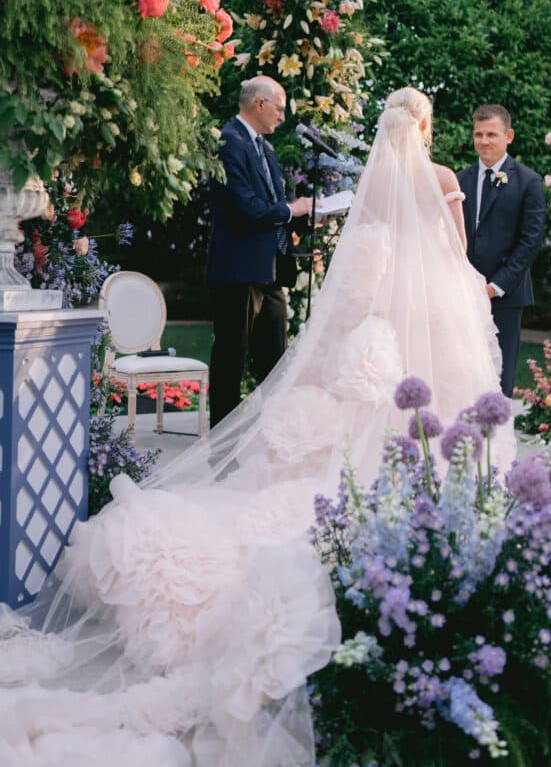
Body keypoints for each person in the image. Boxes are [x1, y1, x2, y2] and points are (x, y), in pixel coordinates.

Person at [0, 88, 514, 765]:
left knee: (346, 430)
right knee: (429, 429)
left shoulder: (371, 188)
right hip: (425, 336)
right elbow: (455, 257)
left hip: (370, 339)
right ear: (425, 127)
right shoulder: (442, 180)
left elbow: (353, 284)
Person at [206, 75, 313, 426]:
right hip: (236, 271)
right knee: (230, 362)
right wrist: (290, 210)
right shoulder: (228, 142)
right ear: (260, 104)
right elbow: (244, 206)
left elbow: (275, 205)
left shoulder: (265, 148)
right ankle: (224, 455)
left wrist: (307, 216)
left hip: (269, 271)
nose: (282, 118)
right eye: (279, 109)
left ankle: (272, 440)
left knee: (276, 362)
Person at [458, 103, 546, 397]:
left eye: (491, 134)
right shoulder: (460, 179)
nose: (484, 141)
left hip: (505, 295)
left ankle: (497, 440)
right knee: (461, 371)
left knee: (499, 375)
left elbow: (530, 240)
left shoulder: (528, 181)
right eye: (478, 134)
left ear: (509, 136)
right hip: (462, 294)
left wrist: (495, 286)